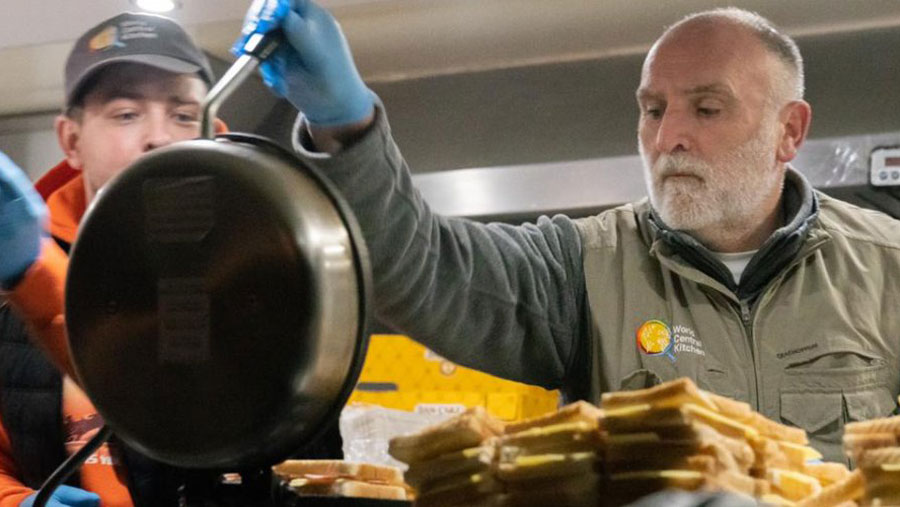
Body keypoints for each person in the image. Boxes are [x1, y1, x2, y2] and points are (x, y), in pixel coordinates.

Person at [233, 0, 900, 464]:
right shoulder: (582, 265)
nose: (668, 137)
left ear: (790, 130)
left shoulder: (887, 268)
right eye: (652, 109)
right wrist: (342, 122)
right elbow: (422, 267)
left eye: (707, 107)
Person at [0, 12, 223, 506]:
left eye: (184, 115)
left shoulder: (263, 274)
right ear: (72, 141)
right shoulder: (11, 277)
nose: (160, 138)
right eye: (126, 113)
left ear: (217, 133)